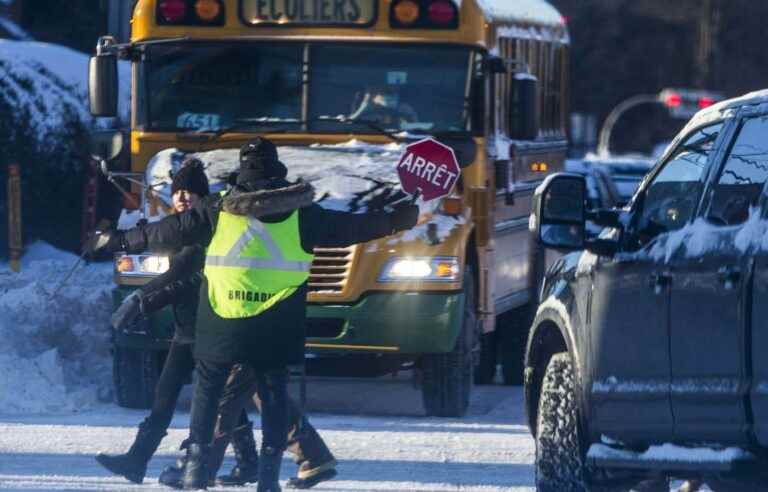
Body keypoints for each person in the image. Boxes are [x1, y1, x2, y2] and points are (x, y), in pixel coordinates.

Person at [89, 137, 419, 491]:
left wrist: (118, 241)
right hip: (277, 326)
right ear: (278, 171)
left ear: (242, 172)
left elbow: (165, 231)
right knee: (273, 395)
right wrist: (396, 220)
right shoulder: (304, 214)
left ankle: (196, 472)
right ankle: (267, 476)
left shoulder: (217, 210)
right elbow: (354, 228)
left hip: (222, 324)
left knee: (208, 391)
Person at [95, 159, 337, 489]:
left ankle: (205, 468)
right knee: (209, 397)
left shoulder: (210, 227)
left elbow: (182, 277)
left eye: (190, 193)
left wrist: (140, 300)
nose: (182, 199)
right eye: (177, 192)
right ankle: (149, 460)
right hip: (191, 332)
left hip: (223, 328)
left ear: (202, 198)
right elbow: (160, 251)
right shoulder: (182, 226)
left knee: (232, 400)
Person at [349, 85, 418, 128]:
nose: (386, 95)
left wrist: (407, 115)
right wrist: (363, 109)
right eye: (383, 91)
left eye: (390, 92)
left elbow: (416, 131)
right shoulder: (365, 113)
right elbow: (347, 127)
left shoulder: (404, 109)